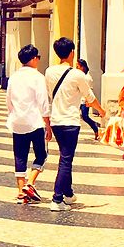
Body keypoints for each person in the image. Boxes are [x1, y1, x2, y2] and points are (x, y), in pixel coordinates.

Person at [45, 37, 104, 213]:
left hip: (56, 120)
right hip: (70, 121)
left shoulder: (49, 72)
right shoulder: (78, 74)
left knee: (65, 156)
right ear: (72, 52)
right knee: (66, 160)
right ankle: (57, 198)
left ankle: (68, 193)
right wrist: (102, 112)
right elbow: (90, 98)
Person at [6, 44, 51, 205]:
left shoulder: (14, 77)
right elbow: (43, 102)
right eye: (38, 57)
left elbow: (8, 100)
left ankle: (20, 192)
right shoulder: (37, 77)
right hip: (35, 122)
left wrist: (14, 114)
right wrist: (48, 123)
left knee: (20, 155)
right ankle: (30, 183)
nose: (39, 60)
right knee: (42, 154)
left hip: (17, 122)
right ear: (33, 59)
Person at [78, 60, 100, 139]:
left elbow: (89, 90)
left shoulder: (87, 78)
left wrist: (88, 101)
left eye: (78, 67)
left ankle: (95, 128)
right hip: (78, 100)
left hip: (84, 100)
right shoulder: (80, 76)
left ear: (82, 67)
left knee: (85, 116)